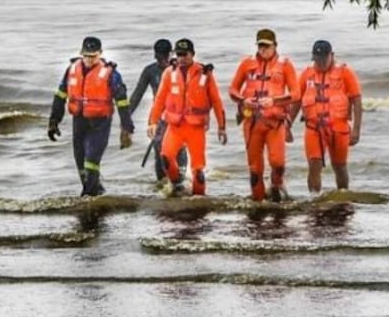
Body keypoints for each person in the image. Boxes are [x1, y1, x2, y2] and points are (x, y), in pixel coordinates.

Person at [48, 36, 134, 196]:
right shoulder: (71, 70)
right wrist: (54, 120)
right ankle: (96, 192)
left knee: (91, 161)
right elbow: (60, 95)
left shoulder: (111, 74)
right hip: (79, 122)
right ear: (81, 53)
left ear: (100, 53)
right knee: (80, 163)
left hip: (100, 124)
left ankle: (87, 197)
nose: (89, 59)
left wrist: (126, 128)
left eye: (93, 56)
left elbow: (122, 102)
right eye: (86, 55)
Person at [147, 38, 228, 197]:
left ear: (192, 54)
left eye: (185, 54)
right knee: (165, 157)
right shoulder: (169, 73)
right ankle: (177, 185)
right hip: (175, 127)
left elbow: (217, 101)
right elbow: (160, 99)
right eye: (179, 54)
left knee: (198, 171)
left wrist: (222, 127)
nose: (181, 58)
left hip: (195, 128)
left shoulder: (205, 73)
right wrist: (153, 122)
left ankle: (199, 200)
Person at [228, 28, 300, 202]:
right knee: (255, 169)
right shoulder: (246, 64)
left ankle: (276, 186)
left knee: (278, 163)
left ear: (275, 46)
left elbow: (296, 94)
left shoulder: (285, 65)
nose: (263, 49)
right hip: (252, 123)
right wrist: (243, 100)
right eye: (260, 46)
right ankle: (258, 203)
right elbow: (232, 90)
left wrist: (274, 101)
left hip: (275, 123)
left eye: (267, 46)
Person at [293, 40, 362, 194]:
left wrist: (356, 130)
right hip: (313, 128)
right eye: (317, 59)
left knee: (339, 166)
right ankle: (314, 199)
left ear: (332, 55)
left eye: (324, 59)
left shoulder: (345, 73)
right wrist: (288, 124)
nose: (321, 63)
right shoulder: (306, 74)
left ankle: (343, 197)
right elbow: (296, 101)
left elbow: (357, 100)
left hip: (339, 128)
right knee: (314, 164)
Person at [128, 38, 187, 184]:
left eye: (164, 58)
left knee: (179, 148)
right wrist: (126, 118)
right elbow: (137, 95)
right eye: (159, 58)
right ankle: (161, 182)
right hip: (158, 117)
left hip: (179, 115)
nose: (162, 62)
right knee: (158, 149)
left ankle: (181, 180)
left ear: (171, 54)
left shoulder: (181, 69)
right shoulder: (150, 71)